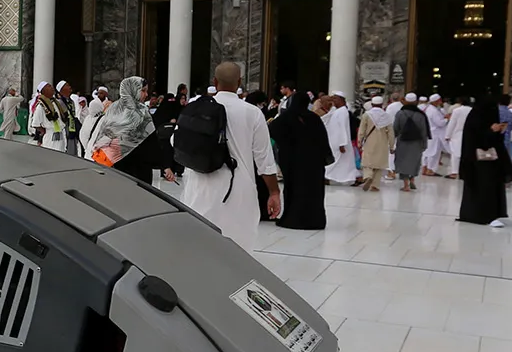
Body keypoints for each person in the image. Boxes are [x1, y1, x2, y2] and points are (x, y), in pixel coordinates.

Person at [178, 63, 280, 250]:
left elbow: (175, 142)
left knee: (201, 249)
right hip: (238, 192)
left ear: (215, 82)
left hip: (200, 188)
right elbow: (264, 160)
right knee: (238, 250)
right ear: (239, 82)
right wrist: (274, 192)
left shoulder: (194, 108)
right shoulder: (253, 113)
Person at [83, 77, 167, 182]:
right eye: (143, 91)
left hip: (120, 169)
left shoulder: (115, 109)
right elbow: (151, 143)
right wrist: (163, 164)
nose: (146, 95)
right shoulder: (140, 113)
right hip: (132, 170)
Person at [270, 90, 330, 229]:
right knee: (313, 190)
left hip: (293, 161)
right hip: (313, 163)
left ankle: (292, 219)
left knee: (294, 188)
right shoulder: (314, 118)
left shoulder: (286, 118)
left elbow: (272, 131)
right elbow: (323, 142)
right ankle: (314, 220)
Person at [457, 97, 512, 226]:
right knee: (483, 187)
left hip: (490, 160)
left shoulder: (482, 118)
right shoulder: (475, 119)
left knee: (491, 186)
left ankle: (492, 214)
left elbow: (494, 141)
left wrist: (498, 131)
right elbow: (477, 140)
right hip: (478, 162)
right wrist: (490, 131)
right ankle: (483, 216)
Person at [392, 93, 430, 191]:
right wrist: (424, 144)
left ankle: (406, 185)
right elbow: (424, 131)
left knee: (402, 161)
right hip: (416, 142)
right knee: (414, 161)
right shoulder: (421, 114)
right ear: (415, 102)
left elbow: (395, 128)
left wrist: (391, 141)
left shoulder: (400, 113)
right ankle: (412, 179)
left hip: (403, 141)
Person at [357, 97, 394, 191]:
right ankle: (375, 185)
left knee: (367, 162)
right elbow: (390, 133)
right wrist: (392, 145)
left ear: (372, 104)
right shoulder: (386, 116)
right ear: (382, 105)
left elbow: (362, 130)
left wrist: (359, 141)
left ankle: (368, 176)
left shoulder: (367, 115)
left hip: (369, 141)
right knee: (379, 165)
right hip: (382, 143)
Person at [321, 94, 357, 185]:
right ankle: (329, 177)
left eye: (335, 99)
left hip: (341, 143)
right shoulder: (336, 111)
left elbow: (343, 128)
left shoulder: (343, 112)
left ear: (341, 100)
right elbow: (325, 119)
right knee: (337, 162)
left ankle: (351, 178)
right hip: (334, 142)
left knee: (342, 162)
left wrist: (342, 143)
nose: (333, 101)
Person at [29, 82, 70, 151]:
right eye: (48, 86)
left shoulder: (56, 103)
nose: (52, 88)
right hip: (50, 136)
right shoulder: (41, 106)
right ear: (43, 91)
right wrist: (45, 131)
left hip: (61, 134)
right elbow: (35, 124)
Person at [441, 96, 470, 181]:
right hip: (468, 134)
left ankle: (454, 173)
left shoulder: (457, 111)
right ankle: (465, 172)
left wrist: (447, 135)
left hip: (457, 134)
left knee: (455, 154)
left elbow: (452, 123)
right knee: (466, 154)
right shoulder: (472, 110)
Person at [421, 95, 447, 175]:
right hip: (434, 134)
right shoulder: (433, 111)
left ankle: (424, 168)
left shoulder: (429, 108)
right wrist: (447, 119)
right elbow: (439, 123)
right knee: (434, 152)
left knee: (426, 152)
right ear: (436, 101)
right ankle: (430, 170)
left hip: (428, 133)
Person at [56, 82, 85, 155]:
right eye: (67, 85)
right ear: (62, 89)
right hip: (64, 129)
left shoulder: (71, 101)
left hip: (72, 128)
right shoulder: (59, 102)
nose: (69, 87)